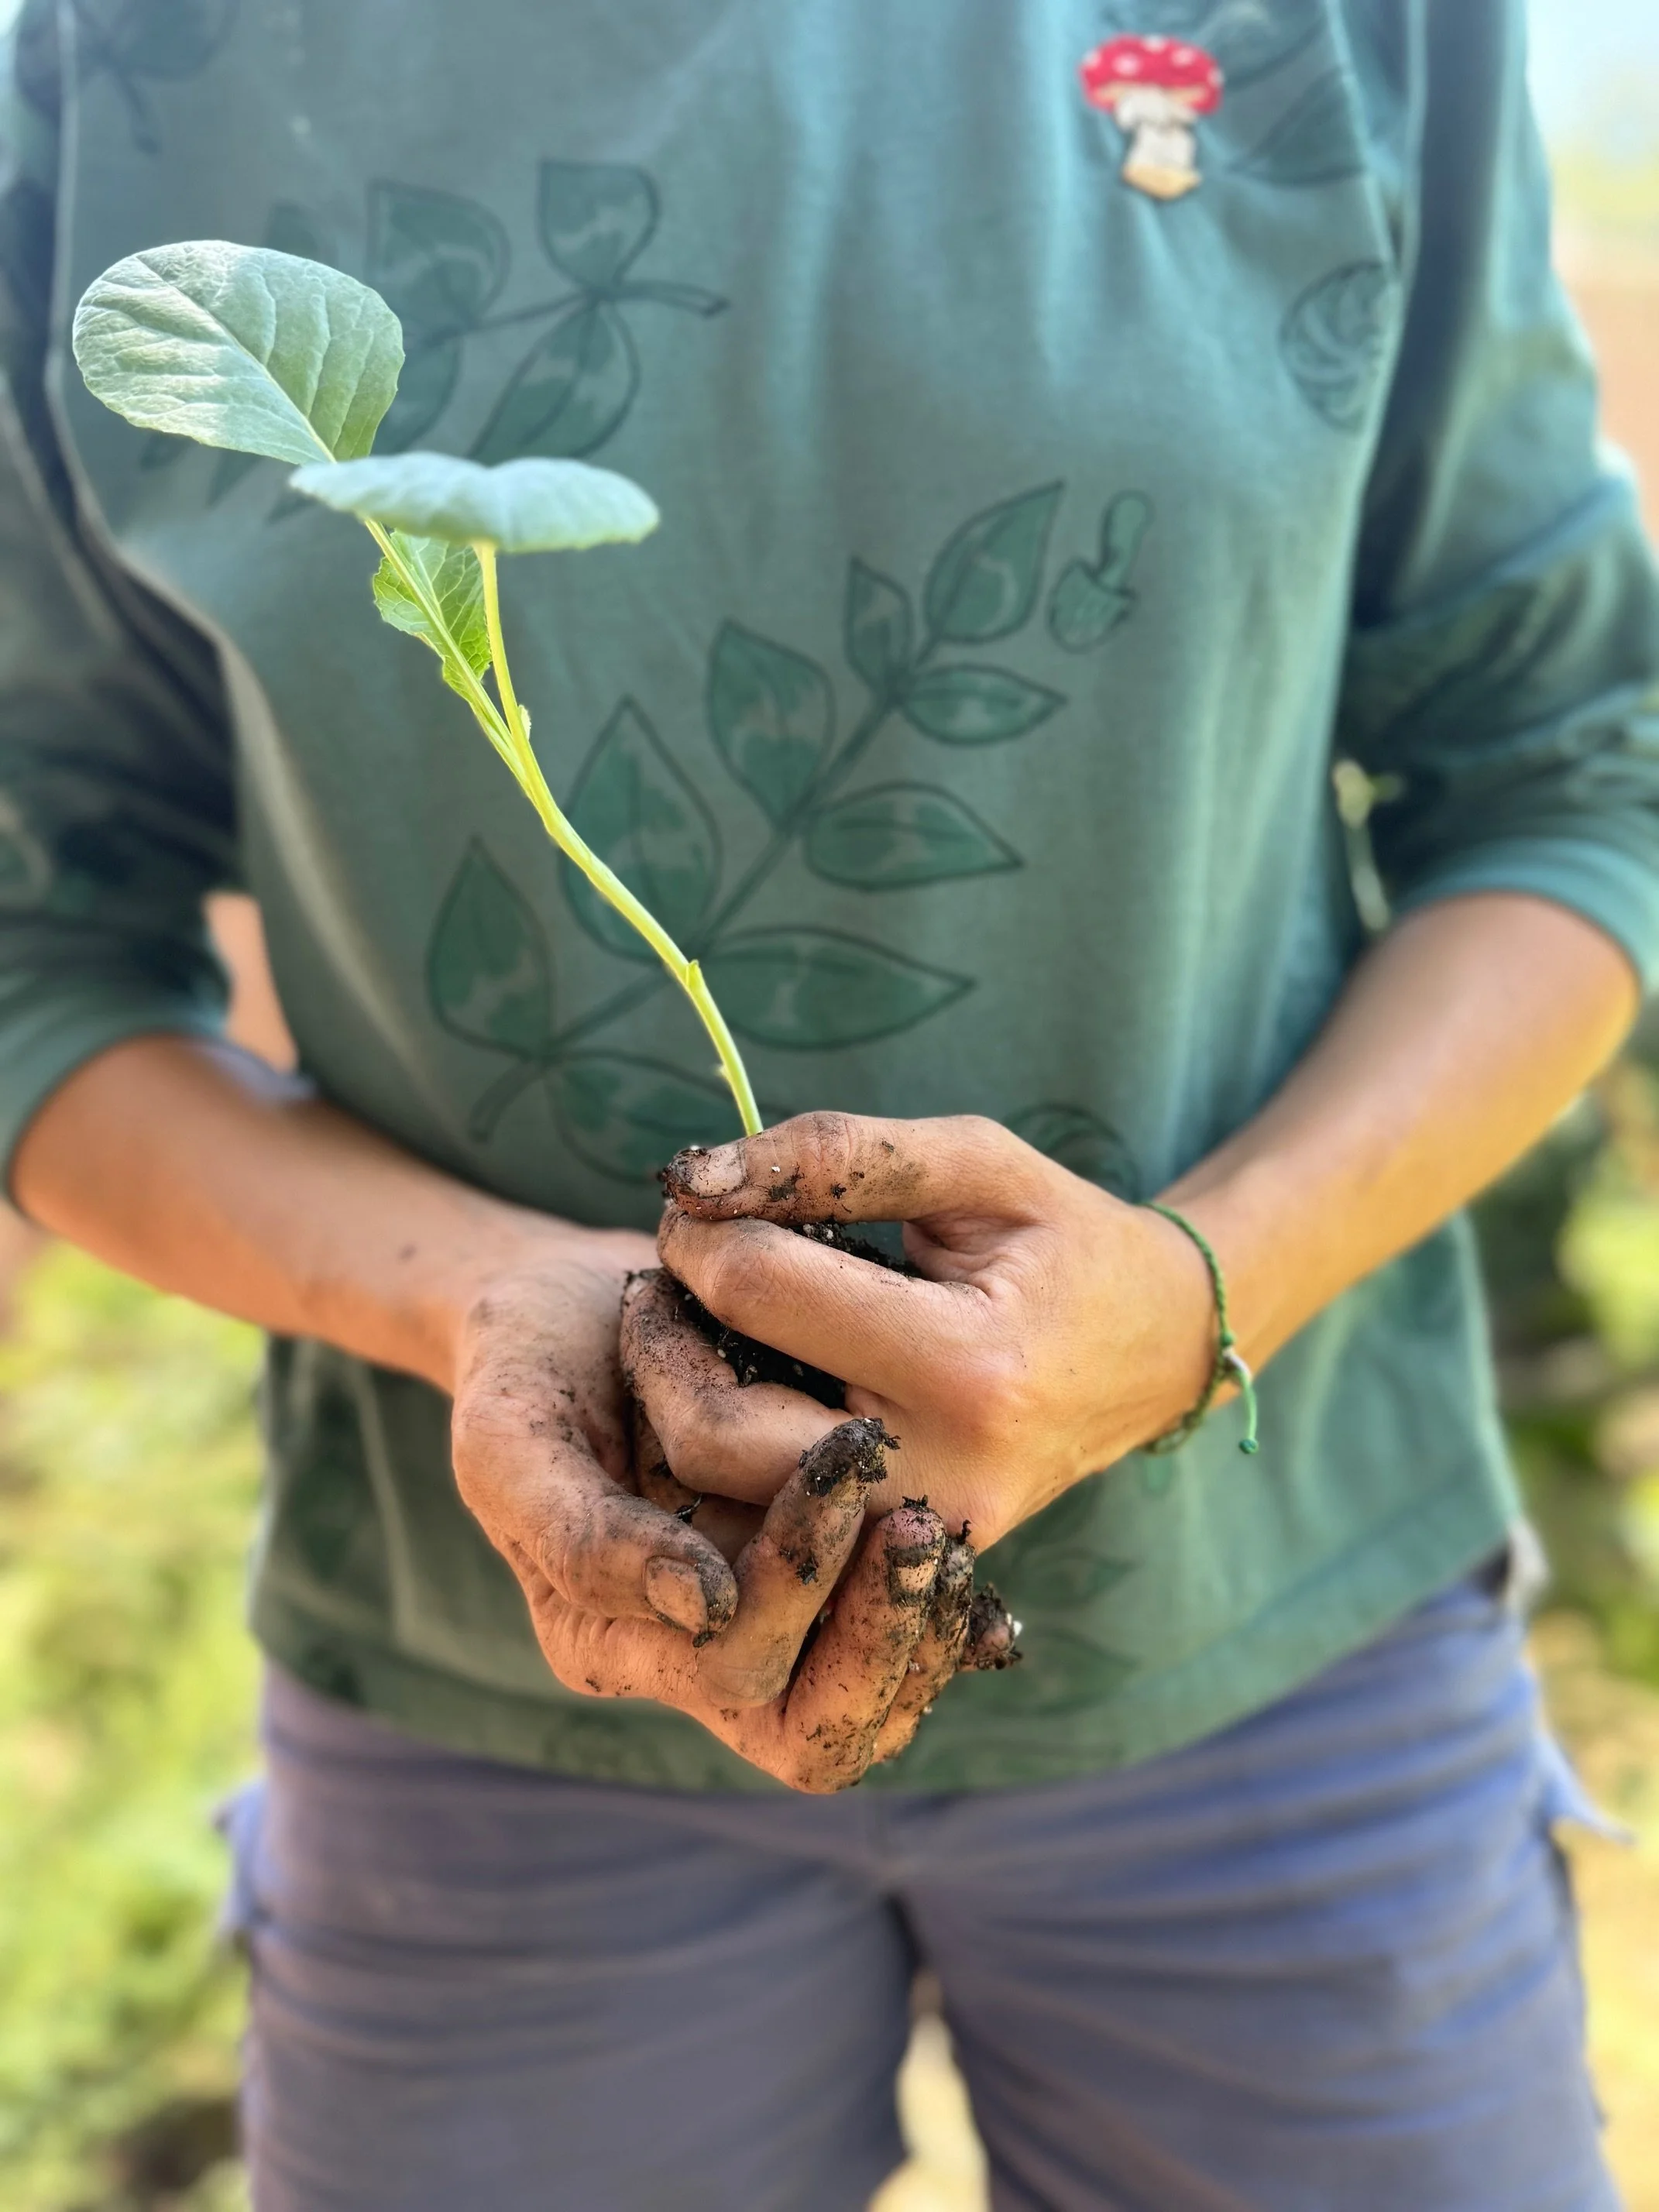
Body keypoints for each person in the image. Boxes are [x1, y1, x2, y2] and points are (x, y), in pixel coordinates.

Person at [2, 2, 1654, 2205]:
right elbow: (37, 939)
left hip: (1272, 1641)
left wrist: (1189, 1294)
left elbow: (1572, 770)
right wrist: (481, 1298)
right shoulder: (125, 64)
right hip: (493, 1696)